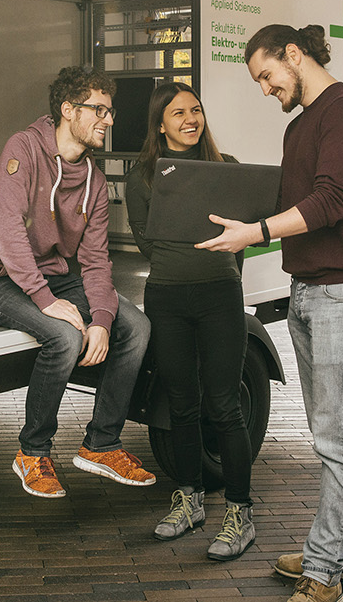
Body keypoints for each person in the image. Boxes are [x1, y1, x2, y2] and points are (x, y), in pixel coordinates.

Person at [197, 24, 343, 602]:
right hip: (312, 289)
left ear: (294, 55)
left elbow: (333, 201)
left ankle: (324, 570)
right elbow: (290, 203)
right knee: (335, 431)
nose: (264, 87)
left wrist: (255, 232)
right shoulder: (301, 125)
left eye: (266, 74)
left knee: (337, 436)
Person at [0, 65, 156, 498]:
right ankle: (33, 452)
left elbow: (95, 261)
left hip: (51, 276)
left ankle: (101, 444)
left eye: (111, 111)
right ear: (69, 110)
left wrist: (103, 318)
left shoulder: (96, 182)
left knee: (136, 326)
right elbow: (8, 232)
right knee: (65, 338)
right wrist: (45, 300)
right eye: (100, 110)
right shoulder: (24, 149)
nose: (109, 120)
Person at [126, 82, 256, 561]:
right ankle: (190, 500)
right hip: (167, 299)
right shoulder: (141, 177)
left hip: (220, 298)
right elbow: (146, 243)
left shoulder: (229, 170)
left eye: (196, 110)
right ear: (160, 123)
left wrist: (221, 262)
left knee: (224, 406)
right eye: (177, 112)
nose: (189, 118)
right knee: (180, 404)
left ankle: (240, 514)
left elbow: (246, 238)